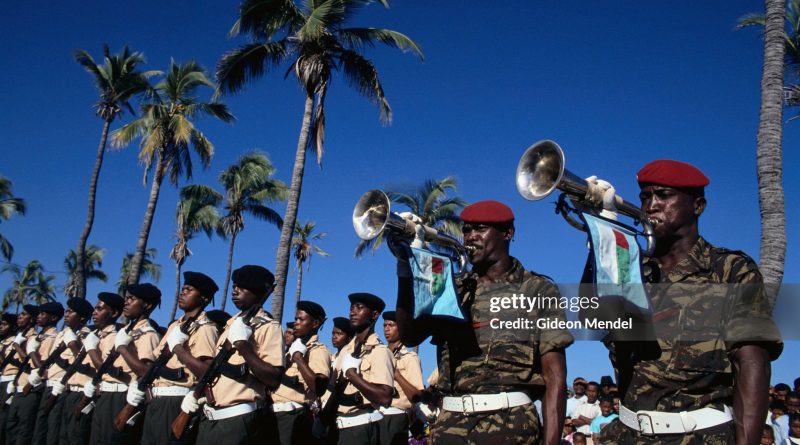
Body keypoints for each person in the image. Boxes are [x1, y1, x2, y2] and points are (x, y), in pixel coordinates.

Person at [592, 160, 783, 444]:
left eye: (664, 195)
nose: (651, 206)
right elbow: (596, 319)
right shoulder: (631, 268)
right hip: (627, 434)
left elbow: (751, 363)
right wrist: (602, 231)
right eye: (645, 197)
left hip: (700, 435)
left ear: (698, 206)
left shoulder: (729, 269)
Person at [393, 200, 573, 444]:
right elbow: (411, 336)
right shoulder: (453, 286)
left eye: (480, 229)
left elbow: (555, 376)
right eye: (466, 230)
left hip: (510, 426)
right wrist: (405, 266)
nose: (470, 237)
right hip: (451, 426)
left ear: (507, 233)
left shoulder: (537, 289)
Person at [183, 265, 284, 445]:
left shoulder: (269, 327)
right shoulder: (230, 324)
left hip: (239, 418)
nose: (235, 290)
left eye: (243, 287)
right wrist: (197, 392)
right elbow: (215, 370)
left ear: (259, 292)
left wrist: (243, 345)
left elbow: (273, 379)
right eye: (235, 286)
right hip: (210, 417)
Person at [138, 271, 220, 445]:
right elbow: (156, 362)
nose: (182, 293)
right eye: (182, 289)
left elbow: (207, 371)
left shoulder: (205, 328)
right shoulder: (176, 325)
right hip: (157, 399)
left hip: (176, 401)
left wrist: (179, 349)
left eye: (189, 290)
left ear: (204, 298)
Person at [89, 284, 161, 445]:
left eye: (132, 299)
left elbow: (146, 371)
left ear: (147, 305)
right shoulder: (126, 331)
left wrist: (122, 348)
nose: (126, 302)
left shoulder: (148, 334)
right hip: (106, 395)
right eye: (127, 298)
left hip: (121, 396)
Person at [60, 292, 123, 445]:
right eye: (95, 308)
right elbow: (79, 363)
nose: (95, 312)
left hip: (88, 393)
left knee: (78, 436)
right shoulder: (94, 334)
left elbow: (104, 370)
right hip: (72, 391)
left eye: (100, 309)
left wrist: (88, 348)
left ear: (114, 313)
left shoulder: (115, 336)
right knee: (64, 437)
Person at [331, 293, 394, 445]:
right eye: (351, 308)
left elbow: (385, 398)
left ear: (374, 315)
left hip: (363, 428)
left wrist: (354, 376)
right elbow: (336, 390)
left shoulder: (380, 351)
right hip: (339, 427)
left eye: (359, 308)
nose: (352, 312)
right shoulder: (345, 351)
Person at [32, 298, 93, 445]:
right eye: (66, 311)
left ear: (82, 317)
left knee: (55, 430)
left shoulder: (86, 335)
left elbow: (82, 363)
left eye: (71, 312)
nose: (66, 314)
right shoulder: (62, 333)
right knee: (40, 429)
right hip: (49, 385)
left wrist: (73, 343)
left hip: (63, 387)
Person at [272, 300, 331, 444]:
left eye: (301, 319)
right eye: (295, 319)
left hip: (293, 415)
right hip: (275, 413)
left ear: (315, 324)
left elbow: (318, 387)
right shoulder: (292, 349)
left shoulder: (318, 351)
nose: (296, 323)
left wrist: (298, 358)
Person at [5, 303, 57, 445]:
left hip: (32, 387)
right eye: (38, 314)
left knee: (24, 429)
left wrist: (25, 348)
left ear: (52, 317)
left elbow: (40, 365)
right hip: (20, 385)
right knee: (10, 427)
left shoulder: (50, 337)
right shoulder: (39, 336)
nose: (39, 317)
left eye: (42, 314)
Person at [379, 311, 424, 445]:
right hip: (375, 415)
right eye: (385, 325)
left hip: (396, 416)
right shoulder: (379, 355)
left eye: (391, 325)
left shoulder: (409, 358)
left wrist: (397, 375)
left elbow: (417, 395)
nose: (386, 329)